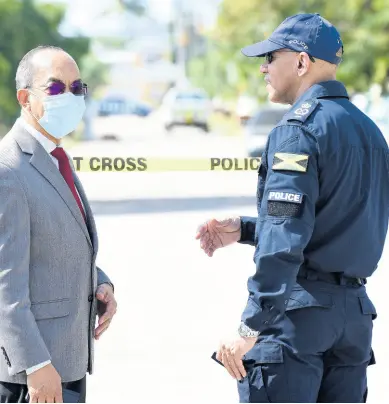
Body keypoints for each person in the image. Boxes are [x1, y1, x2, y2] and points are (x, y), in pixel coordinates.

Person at [196, 13, 389, 403]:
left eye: (271, 57)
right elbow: (341, 220)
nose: (263, 68)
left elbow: (285, 241)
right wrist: (247, 229)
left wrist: (250, 328)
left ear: (301, 62)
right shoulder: (370, 131)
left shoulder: (297, 131)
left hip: (297, 322)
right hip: (352, 319)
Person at [0, 45, 117, 403]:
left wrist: (101, 283)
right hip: (33, 376)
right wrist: (35, 365)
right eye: (54, 88)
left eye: (77, 87)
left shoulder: (53, 158)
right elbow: (5, 285)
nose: (69, 96)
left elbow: (53, 244)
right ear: (25, 98)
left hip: (67, 363)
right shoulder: (10, 171)